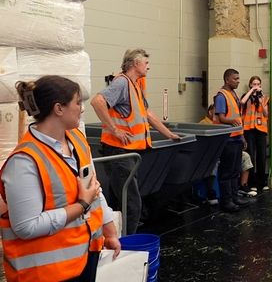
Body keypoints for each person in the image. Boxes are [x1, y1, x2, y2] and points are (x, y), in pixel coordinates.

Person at [1, 76, 121, 281]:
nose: (82, 109)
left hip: (84, 257)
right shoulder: (25, 161)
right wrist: (81, 204)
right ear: (59, 109)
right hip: (47, 272)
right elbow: (26, 227)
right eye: (77, 102)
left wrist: (109, 230)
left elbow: (94, 190)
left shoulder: (77, 140)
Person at [90, 48, 178, 234]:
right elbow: (98, 101)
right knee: (131, 205)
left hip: (128, 153)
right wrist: (115, 130)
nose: (149, 67)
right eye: (146, 63)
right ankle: (127, 245)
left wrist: (168, 134)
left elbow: (148, 115)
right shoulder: (122, 82)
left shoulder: (135, 85)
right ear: (135, 64)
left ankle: (118, 240)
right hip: (119, 152)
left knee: (121, 201)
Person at [213, 69, 251, 212]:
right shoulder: (221, 96)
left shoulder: (233, 94)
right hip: (227, 140)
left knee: (236, 170)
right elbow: (221, 117)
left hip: (236, 138)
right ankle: (226, 201)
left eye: (238, 78)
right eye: (235, 79)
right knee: (227, 171)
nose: (238, 81)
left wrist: (242, 137)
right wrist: (232, 121)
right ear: (227, 80)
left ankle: (235, 197)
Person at [241, 75, 269, 192]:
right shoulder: (246, 97)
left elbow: (266, 114)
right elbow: (242, 102)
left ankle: (262, 182)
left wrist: (261, 99)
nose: (256, 86)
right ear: (250, 85)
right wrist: (251, 91)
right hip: (248, 129)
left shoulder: (264, 98)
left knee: (261, 156)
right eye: (254, 84)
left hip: (260, 130)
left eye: (258, 84)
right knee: (251, 156)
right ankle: (252, 182)